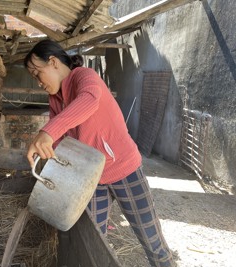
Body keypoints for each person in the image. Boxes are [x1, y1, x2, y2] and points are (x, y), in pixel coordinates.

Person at [24, 39, 175, 267]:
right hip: (90, 178)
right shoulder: (55, 98)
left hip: (123, 168)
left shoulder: (84, 76)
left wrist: (47, 132)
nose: (37, 82)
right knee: (92, 240)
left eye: (37, 73)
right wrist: (45, 152)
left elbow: (89, 101)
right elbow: (58, 140)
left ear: (53, 62)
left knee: (152, 239)